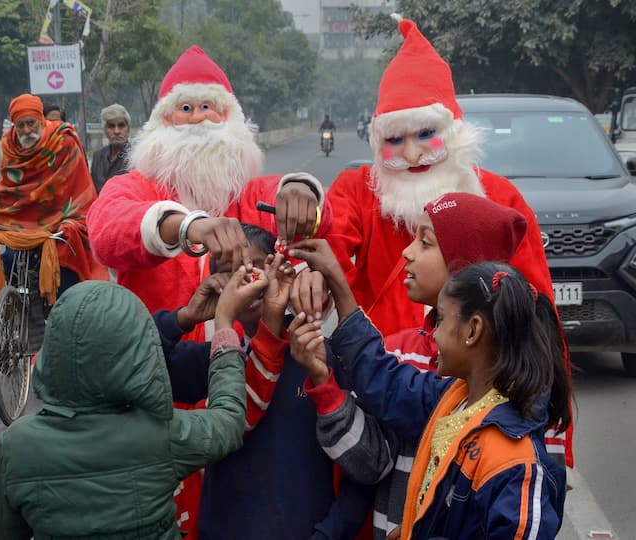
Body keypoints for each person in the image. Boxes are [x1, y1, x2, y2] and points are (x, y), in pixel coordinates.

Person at [293, 15, 572, 468]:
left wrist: (554, 445)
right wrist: (310, 248)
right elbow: (330, 236)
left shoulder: (500, 199)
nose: (412, 153)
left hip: (477, 403)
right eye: (395, 139)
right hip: (378, 395)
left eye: (426, 134)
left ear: (453, 133)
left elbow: (538, 314)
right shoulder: (359, 190)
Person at [286, 193, 543, 539]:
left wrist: (339, 285)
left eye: (425, 243)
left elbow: (390, 386)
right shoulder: (417, 359)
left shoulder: (496, 411)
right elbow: (373, 457)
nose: (406, 252)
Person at [0, 275, 263, 540]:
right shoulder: (160, 434)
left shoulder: (17, 445)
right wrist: (224, 327)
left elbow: (5, 530)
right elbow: (228, 420)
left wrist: (183, 319)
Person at [155, 223, 374, 540]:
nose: (247, 279)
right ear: (218, 286)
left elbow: (361, 465)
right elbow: (134, 365)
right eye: (230, 273)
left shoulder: (320, 359)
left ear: (283, 270)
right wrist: (184, 317)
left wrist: (329, 533)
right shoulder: (212, 361)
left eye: (258, 267)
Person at [87, 45, 330, 316]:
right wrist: (184, 226)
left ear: (228, 118)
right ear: (164, 121)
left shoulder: (251, 193)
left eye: (206, 107)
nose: (197, 118)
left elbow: (318, 223)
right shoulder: (137, 186)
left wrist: (301, 190)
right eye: (186, 108)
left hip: (246, 353)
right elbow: (105, 231)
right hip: (160, 349)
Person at [0, 93, 107, 309]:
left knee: (64, 265)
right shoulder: (10, 146)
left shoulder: (63, 140)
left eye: (31, 123)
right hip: (21, 226)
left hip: (60, 222)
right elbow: (6, 191)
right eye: (21, 126)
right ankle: (21, 312)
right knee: (9, 260)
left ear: (41, 119)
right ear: (14, 127)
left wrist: (70, 221)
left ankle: (64, 315)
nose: (27, 130)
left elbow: (78, 189)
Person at [90, 103, 131, 193]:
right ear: (105, 130)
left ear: (128, 129)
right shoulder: (98, 157)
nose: (116, 131)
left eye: (121, 125)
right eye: (111, 126)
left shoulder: (136, 157)